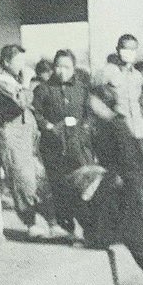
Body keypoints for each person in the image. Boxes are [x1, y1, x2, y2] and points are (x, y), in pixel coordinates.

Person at [73, 83, 143, 285]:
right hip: (114, 182)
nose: (89, 103)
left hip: (128, 186)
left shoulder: (117, 125)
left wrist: (108, 175)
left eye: (93, 100)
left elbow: (129, 161)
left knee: (135, 237)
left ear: (103, 102)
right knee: (97, 211)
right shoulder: (101, 124)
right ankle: (98, 239)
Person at [0, 44, 55, 238]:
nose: (22, 65)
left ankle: (51, 222)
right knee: (22, 181)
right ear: (6, 62)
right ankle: (31, 223)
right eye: (18, 61)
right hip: (13, 140)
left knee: (40, 179)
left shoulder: (13, 81)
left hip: (27, 139)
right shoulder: (1, 83)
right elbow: (21, 102)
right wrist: (26, 82)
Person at [99, 34, 143, 222]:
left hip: (137, 129)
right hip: (117, 130)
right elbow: (94, 96)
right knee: (120, 173)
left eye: (132, 49)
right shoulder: (108, 72)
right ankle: (119, 214)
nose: (128, 52)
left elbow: (142, 100)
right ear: (117, 49)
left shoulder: (138, 76)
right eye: (125, 48)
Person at [32, 49, 93, 238]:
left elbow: (89, 114)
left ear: (74, 68)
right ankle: (66, 228)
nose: (62, 71)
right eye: (58, 66)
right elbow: (35, 113)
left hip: (77, 146)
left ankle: (90, 228)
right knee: (59, 187)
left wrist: (84, 129)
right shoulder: (43, 89)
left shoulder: (82, 89)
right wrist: (48, 126)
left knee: (82, 186)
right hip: (53, 147)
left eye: (66, 67)